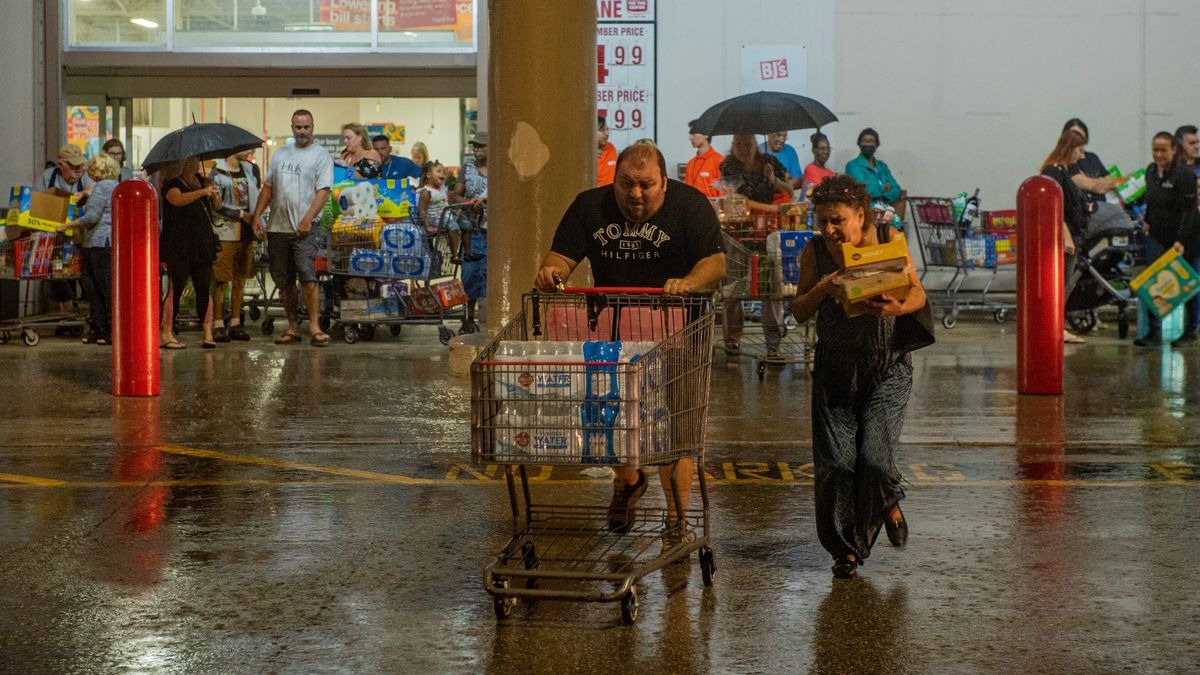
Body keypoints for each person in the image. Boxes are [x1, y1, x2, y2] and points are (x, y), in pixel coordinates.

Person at [534, 141, 725, 545]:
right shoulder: (590, 206)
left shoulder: (691, 206)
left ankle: (676, 520)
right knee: (611, 422)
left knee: (679, 429)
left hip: (677, 329)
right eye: (626, 185)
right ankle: (629, 481)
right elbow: (559, 258)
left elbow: (716, 262)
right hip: (613, 329)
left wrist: (688, 282)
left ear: (664, 182)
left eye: (645, 185)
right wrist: (551, 272)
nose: (635, 194)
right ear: (614, 179)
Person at [789, 174, 928, 579]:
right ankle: (845, 551)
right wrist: (823, 288)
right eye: (823, 222)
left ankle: (888, 497)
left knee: (874, 457)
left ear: (860, 215)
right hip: (836, 367)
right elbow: (798, 310)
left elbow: (918, 294)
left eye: (837, 220)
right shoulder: (816, 251)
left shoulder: (889, 236)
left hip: (888, 364)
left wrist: (895, 307)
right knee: (837, 465)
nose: (830, 231)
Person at [251, 109, 335, 347]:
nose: (302, 132)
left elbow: (324, 191)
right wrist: (257, 216)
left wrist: (308, 218)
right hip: (277, 228)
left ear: (313, 127)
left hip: (304, 230)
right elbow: (268, 187)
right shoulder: (280, 155)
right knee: (284, 281)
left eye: (306, 127)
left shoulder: (320, 156)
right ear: (292, 128)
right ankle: (293, 327)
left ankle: (316, 329)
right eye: (298, 127)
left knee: (308, 277)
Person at [719, 133, 794, 359]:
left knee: (772, 292)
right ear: (733, 146)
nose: (743, 148)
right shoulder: (729, 166)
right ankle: (732, 341)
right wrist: (773, 209)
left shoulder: (771, 163)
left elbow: (789, 191)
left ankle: (773, 346)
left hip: (769, 235)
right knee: (734, 290)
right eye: (738, 144)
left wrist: (775, 180)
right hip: (740, 235)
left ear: (755, 145)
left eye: (747, 144)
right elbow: (739, 202)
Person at [1136, 132, 1200, 347]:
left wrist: (1181, 240)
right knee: (1152, 282)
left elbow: (1189, 211)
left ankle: (1191, 330)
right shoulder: (1150, 172)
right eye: (1155, 149)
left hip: (1185, 236)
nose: (1158, 154)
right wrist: (1147, 221)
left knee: (1187, 283)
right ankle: (1154, 330)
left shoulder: (1185, 175)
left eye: (1163, 149)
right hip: (1157, 234)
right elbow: (1151, 202)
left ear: (1174, 150)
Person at [55, 154, 120, 345]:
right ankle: (104, 330)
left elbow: (92, 217)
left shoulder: (103, 187)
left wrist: (67, 226)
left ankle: (105, 330)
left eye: (92, 169)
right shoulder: (114, 186)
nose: (89, 173)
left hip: (99, 243)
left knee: (98, 289)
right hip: (104, 243)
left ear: (98, 170)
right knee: (98, 287)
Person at [158, 156, 221, 350]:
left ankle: (208, 331)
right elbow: (177, 200)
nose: (195, 163)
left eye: (197, 159)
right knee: (175, 289)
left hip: (202, 242)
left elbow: (217, 207)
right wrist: (202, 191)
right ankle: (167, 333)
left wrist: (214, 193)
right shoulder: (172, 184)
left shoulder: (203, 181)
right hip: (178, 244)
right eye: (191, 160)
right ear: (181, 162)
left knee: (204, 287)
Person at [1040, 129, 1090, 344]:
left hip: (1070, 237)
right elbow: (1055, 208)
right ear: (1070, 149)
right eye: (1080, 150)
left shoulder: (1060, 171)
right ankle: (1056, 328)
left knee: (1063, 286)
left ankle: (1056, 327)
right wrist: (1066, 238)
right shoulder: (1054, 172)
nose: (1082, 156)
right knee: (1060, 287)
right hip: (1063, 240)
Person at [35, 145, 96, 318]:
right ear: (62, 164)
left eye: (81, 166)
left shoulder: (85, 178)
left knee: (82, 274)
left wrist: (84, 193)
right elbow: (36, 199)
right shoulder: (48, 177)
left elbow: (96, 189)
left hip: (78, 236)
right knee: (55, 272)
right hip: (54, 235)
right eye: (74, 167)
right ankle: (67, 312)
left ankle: (88, 313)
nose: (79, 171)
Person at [209, 149, 261, 342]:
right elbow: (217, 205)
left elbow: (256, 198)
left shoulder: (251, 170)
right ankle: (218, 323)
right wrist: (242, 215)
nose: (251, 150)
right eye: (246, 147)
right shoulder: (217, 172)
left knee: (240, 278)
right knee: (222, 279)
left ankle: (236, 322)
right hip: (225, 230)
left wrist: (255, 220)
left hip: (246, 230)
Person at [452, 132, 490, 333]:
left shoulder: (499, 171)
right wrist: (467, 203)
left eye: (481, 146)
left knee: (489, 272)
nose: (477, 150)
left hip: (493, 229)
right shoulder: (467, 169)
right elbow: (456, 195)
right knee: (470, 273)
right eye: (475, 146)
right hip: (472, 229)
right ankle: (468, 317)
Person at [845, 128, 906, 219]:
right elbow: (864, 189)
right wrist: (884, 187)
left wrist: (884, 196)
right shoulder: (853, 165)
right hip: (866, 210)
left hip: (887, 209)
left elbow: (896, 188)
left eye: (871, 141)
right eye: (865, 141)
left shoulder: (882, 166)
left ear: (876, 145)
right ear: (859, 144)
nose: (868, 144)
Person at [684, 120, 723, 198]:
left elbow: (724, 193)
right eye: (690, 134)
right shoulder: (691, 163)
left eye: (693, 134)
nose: (690, 138)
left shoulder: (719, 161)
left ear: (706, 135)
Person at [596, 115, 618, 187]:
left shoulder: (611, 147)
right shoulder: (584, 153)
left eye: (607, 129)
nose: (607, 133)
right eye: (602, 130)